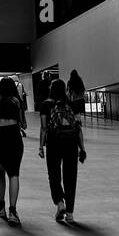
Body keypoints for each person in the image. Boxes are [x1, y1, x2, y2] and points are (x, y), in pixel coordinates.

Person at [38, 78, 86, 224]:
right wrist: (82, 148)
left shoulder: (46, 104)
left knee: (53, 174)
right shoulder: (71, 104)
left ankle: (60, 203)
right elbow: (78, 127)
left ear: (51, 89)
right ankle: (70, 214)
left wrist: (41, 147)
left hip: (54, 142)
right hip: (71, 142)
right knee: (70, 176)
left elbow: (44, 127)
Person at [0, 76, 27, 225]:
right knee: (14, 173)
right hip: (14, 137)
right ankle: (13, 211)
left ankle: (1, 205)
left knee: (0, 172)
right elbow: (24, 124)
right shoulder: (17, 101)